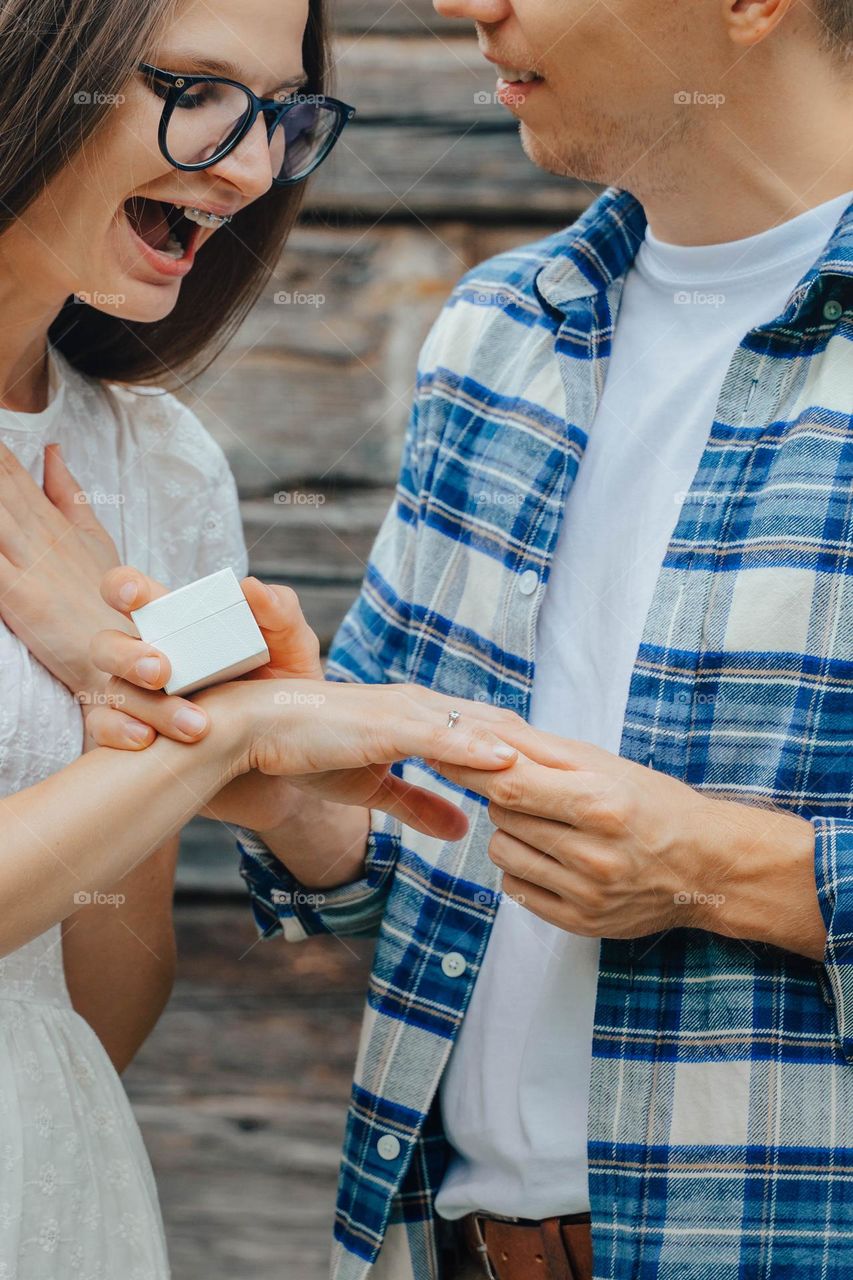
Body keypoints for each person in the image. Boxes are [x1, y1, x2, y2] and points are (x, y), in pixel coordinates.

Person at [90, 0, 853, 1276]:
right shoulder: (501, 332)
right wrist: (286, 774)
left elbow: (700, 864)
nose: (464, 4)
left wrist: (732, 871)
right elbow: (403, 855)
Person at [0, 0, 528, 1275]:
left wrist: (134, 699)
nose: (245, 165)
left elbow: (101, 1005)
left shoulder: (153, 461)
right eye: (195, 91)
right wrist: (219, 727)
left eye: (283, 116)